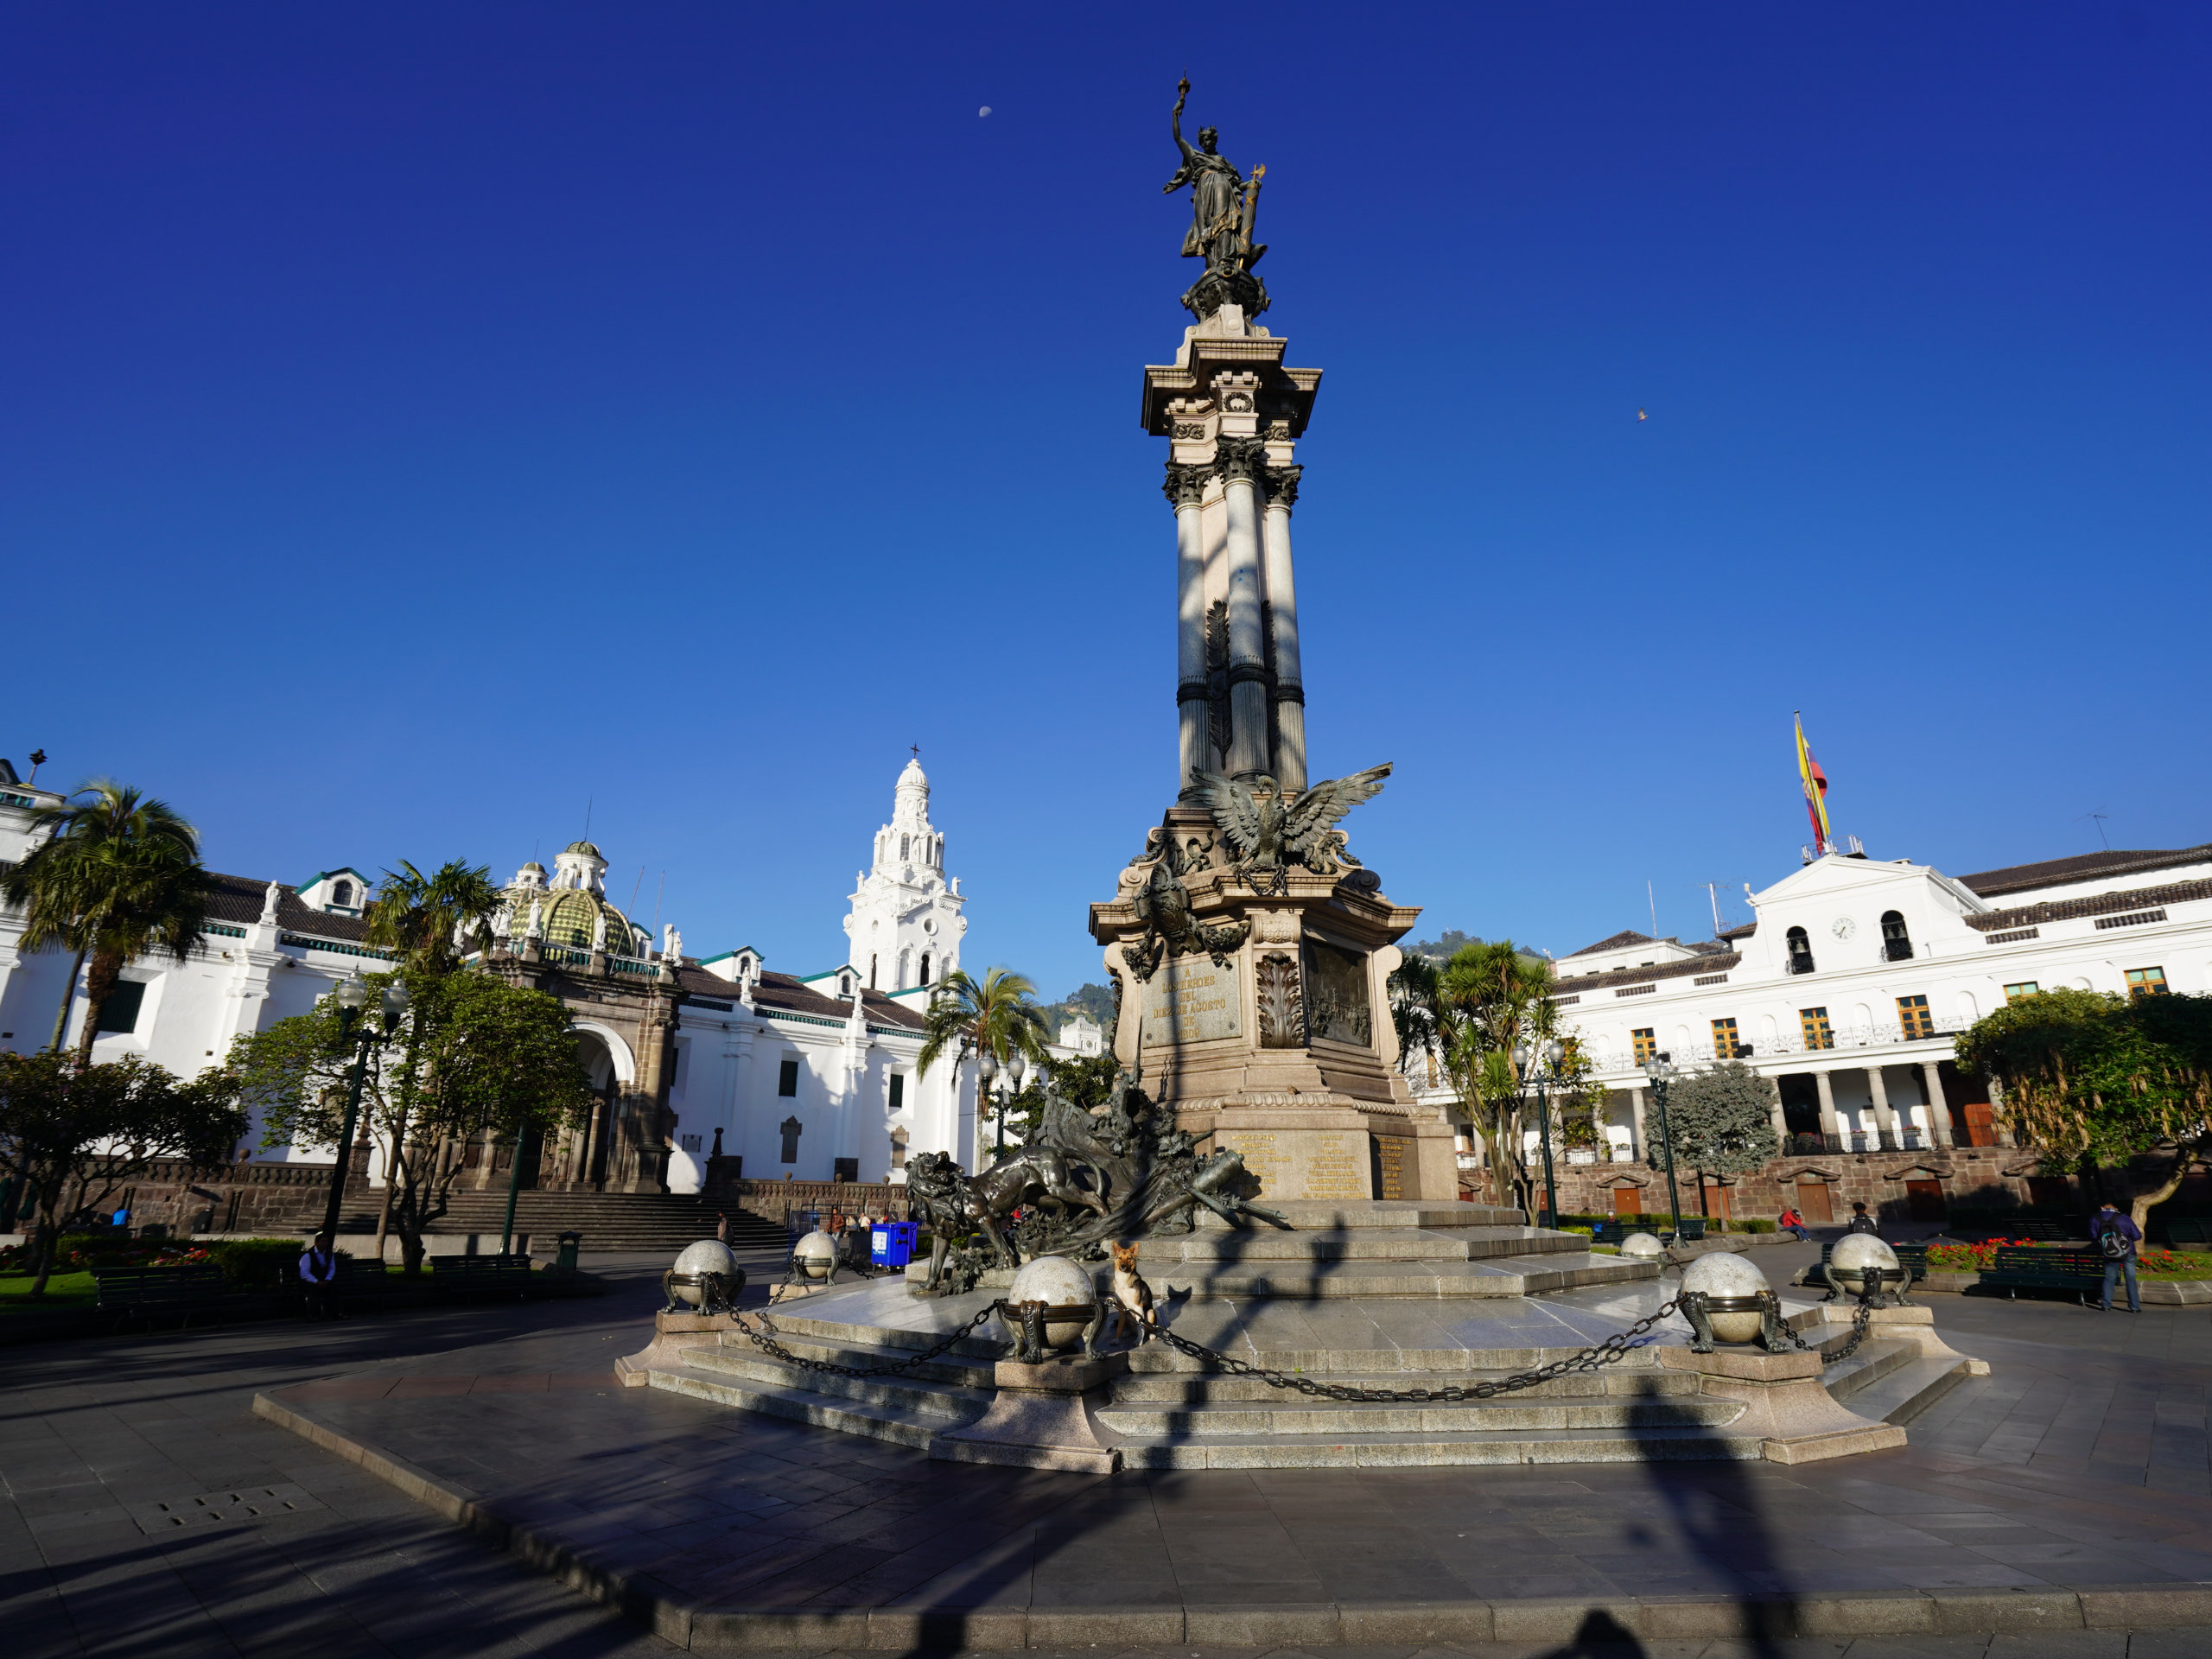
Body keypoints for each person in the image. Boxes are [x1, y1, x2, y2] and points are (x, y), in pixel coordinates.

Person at [2090, 1202, 2143, 1313]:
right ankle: (2134, 1306)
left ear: (2102, 1207)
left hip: (2109, 1253)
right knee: (2130, 1279)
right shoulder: (2125, 1218)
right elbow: (2137, 1236)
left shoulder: (2095, 1218)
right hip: (2128, 1252)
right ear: (2116, 1208)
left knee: (2109, 1277)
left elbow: (2094, 1236)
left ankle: (2106, 1305)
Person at [298, 1231, 343, 1320]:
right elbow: (304, 1273)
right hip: (310, 1281)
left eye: (326, 1241)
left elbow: (331, 1268)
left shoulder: (329, 1254)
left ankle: (335, 1313)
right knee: (313, 1290)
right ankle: (313, 1314)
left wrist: (327, 1280)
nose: (324, 1244)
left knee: (334, 1288)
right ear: (316, 1243)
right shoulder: (308, 1256)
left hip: (323, 1280)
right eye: (322, 1241)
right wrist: (317, 1282)